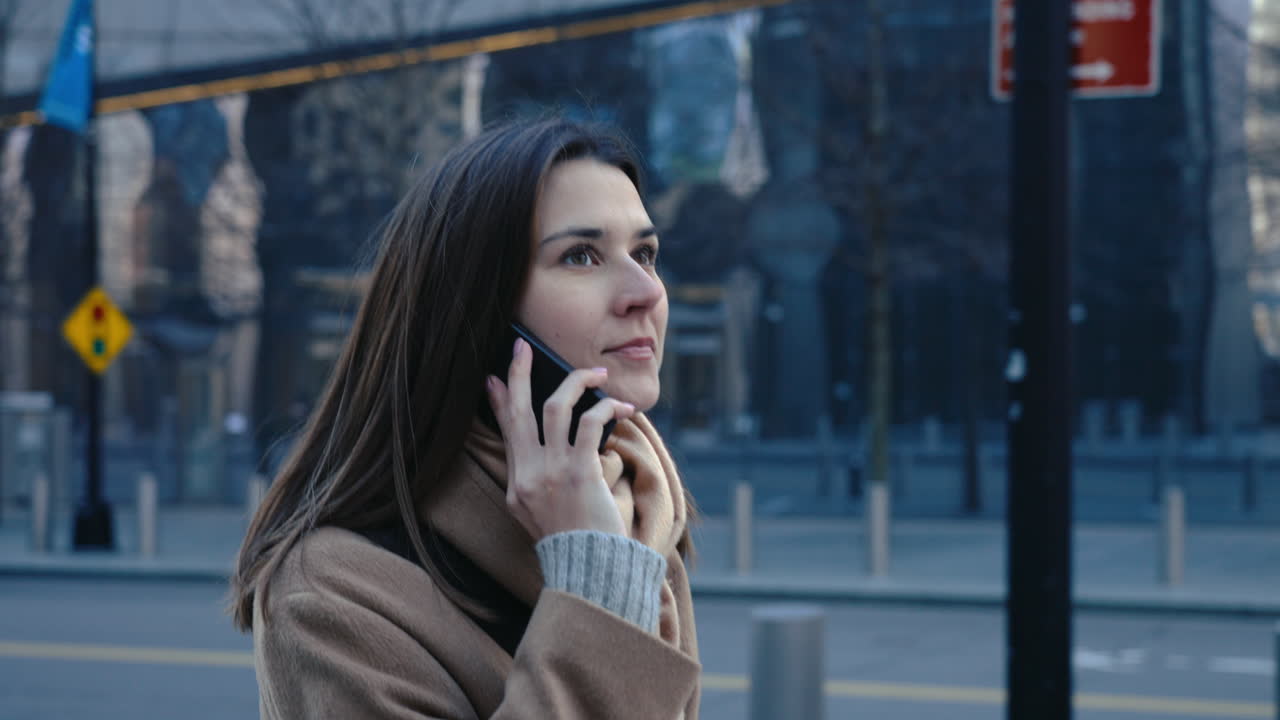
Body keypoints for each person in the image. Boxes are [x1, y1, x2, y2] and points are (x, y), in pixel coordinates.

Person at [228, 117, 701, 719]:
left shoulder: (637, 510)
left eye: (645, 253)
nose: (646, 292)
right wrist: (595, 580)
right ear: (477, 313)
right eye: (582, 256)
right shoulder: (331, 592)